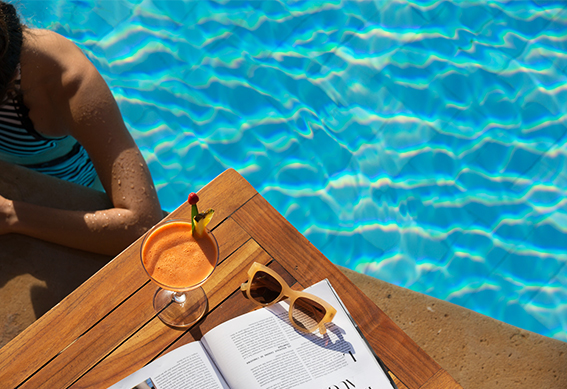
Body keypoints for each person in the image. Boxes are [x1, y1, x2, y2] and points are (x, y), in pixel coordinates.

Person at [0, 2, 163, 256]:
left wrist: (12, 216)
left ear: (10, 81)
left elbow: (142, 224)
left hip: (67, 194)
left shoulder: (66, 81)